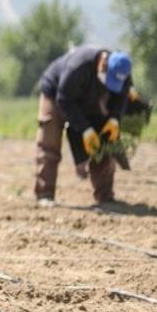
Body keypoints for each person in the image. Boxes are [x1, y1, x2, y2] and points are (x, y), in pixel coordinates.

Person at [34, 46, 133, 205]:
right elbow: (64, 99)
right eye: (109, 80)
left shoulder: (122, 70)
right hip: (57, 94)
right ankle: (45, 194)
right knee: (50, 139)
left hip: (87, 97)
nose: (111, 85)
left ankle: (105, 195)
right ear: (102, 65)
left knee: (103, 141)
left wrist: (114, 119)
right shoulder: (79, 66)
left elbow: (122, 96)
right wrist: (85, 129)